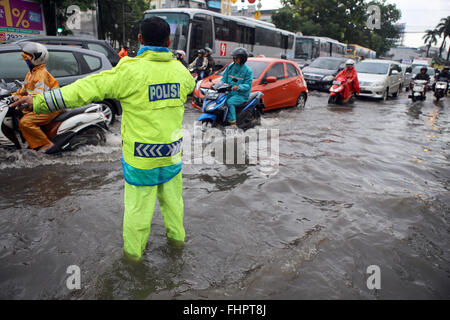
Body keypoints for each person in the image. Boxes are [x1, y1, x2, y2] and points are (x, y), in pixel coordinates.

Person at [11, 17, 196, 261]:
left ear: (140, 40)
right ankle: (177, 249)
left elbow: (83, 90)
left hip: (142, 158)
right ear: (169, 41)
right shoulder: (180, 72)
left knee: (138, 214)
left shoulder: (129, 70)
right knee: (174, 208)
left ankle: (133, 262)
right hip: (172, 155)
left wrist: (38, 101)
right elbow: (191, 86)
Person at [13, 42, 61, 153]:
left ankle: (46, 144)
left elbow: (37, 96)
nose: (26, 61)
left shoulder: (41, 74)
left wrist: (20, 99)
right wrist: (14, 95)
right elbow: (24, 90)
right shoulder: (31, 73)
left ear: (37, 59)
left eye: (27, 58)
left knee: (25, 122)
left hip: (50, 107)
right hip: (41, 105)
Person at [221, 47, 253, 128]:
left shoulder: (248, 71)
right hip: (229, 92)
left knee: (230, 102)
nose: (234, 59)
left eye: (236, 58)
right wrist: (218, 85)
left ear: (242, 59)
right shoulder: (230, 67)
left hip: (241, 95)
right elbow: (223, 79)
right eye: (234, 58)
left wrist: (238, 87)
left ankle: (233, 123)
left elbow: (248, 85)